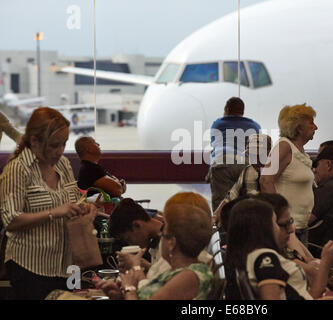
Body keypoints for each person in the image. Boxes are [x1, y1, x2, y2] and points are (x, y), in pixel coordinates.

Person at [0, 107, 97, 300]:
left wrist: (84, 208)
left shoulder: (63, 164)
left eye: (64, 144)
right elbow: (10, 219)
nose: (60, 151)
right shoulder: (18, 169)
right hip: (31, 266)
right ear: (35, 141)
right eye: (54, 145)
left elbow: (73, 200)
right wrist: (54, 212)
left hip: (68, 264)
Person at [226, 198, 333, 300]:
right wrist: (325, 262)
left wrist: (326, 262)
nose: (289, 229)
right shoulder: (265, 257)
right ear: (262, 228)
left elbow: (308, 296)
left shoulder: (257, 256)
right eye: (275, 223)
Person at [99, 204, 213, 300]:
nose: (159, 239)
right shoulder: (176, 271)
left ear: (172, 243)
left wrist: (130, 287)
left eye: (162, 235)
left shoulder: (188, 276)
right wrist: (121, 295)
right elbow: (148, 292)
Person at [260, 103, 317, 244]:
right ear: (299, 127)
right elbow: (266, 180)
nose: (316, 127)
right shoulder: (284, 146)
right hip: (288, 228)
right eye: (311, 123)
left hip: (300, 226)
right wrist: (280, 217)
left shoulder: (300, 151)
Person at [207, 97, 261, 211]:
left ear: (226, 110)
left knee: (221, 205)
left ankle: (221, 226)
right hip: (245, 164)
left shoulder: (217, 124)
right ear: (242, 111)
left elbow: (214, 144)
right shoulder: (255, 126)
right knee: (247, 204)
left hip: (223, 161)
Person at [213, 134, 272, 225]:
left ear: (269, 153)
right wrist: (217, 214)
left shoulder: (278, 173)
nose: (254, 160)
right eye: (251, 155)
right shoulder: (247, 171)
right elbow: (231, 196)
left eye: (258, 155)